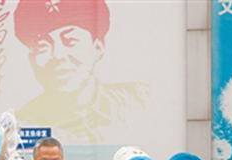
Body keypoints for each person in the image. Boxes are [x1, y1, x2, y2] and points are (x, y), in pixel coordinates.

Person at [13, 0, 149, 143]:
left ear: (97, 49)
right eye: (42, 47)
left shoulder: (139, 102)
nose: (58, 56)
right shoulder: (21, 124)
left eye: (70, 42)